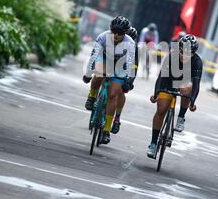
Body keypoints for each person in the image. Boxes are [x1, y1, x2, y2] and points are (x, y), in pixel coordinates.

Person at [147, 35, 202, 158]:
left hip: (183, 83)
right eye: (182, 52)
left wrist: (192, 102)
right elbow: (161, 77)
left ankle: (181, 117)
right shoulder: (172, 56)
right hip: (168, 82)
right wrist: (156, 93)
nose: (184, 56)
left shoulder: (197, 62)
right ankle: (153, 143)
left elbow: (196, 85)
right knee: (161, 110)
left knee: (187, 88)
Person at [82, 16, 136, 145]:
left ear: (125, 33)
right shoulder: (102, 37)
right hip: (104, 59)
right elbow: (94, 56)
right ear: (110, 30)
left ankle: (106, 130)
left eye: (120, 33)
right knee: (99, 74)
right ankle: (92, 96)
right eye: (114, 32)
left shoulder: (130, 43)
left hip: (120, 64)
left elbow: (129, 63)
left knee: (113, 94)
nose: (116, 35)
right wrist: (88, 73)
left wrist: (128, 80)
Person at [113, 27, 139, 134]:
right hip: (112, 64)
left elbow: (134, 67)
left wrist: (130, 81)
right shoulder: (115, 40)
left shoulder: (134, 48)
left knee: (121, 92)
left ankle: (117, 118)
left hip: (124, 69)